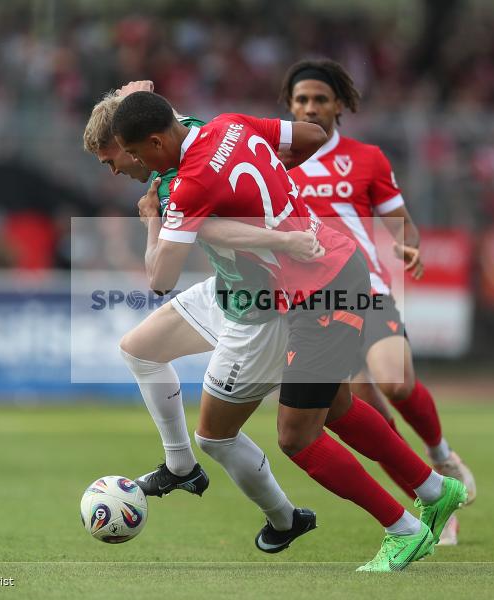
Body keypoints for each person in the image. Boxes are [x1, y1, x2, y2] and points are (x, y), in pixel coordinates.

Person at [112, 91, 466, 572]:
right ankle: (434, 488)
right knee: (338, 408)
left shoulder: (190, 185)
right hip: (332, 264)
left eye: (137, 153)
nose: (137, 163)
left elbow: (159, 280)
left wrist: (153, 223)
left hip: (318, 291)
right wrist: (279, 203)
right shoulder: (231, 124)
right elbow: (309, 137)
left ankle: (402, 530)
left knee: (296, 436)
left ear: (156, 141)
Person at [83, 84, 326, 552]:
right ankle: (179, 467)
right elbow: (165, 116)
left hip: (259, 312)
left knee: (217, 438)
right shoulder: (196, 129)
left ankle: (285, 519)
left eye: (115, 157)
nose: (114, 169)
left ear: (142, 145)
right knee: (140, 349)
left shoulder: (178, 184)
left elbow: (158, 279)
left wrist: (151, 217)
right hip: (229, 289)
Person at [279, 59, 476, 544]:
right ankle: (433, 503)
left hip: (364, 288)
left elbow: (401, 222)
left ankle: (441, 453)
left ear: (339, 105)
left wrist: (408, 244)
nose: (310, 107)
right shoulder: (272, 163)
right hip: (311, 306)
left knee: (395, 378)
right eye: (301, 99)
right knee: (371, 418)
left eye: (320, 99)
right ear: (289, 106)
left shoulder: (366, 158)